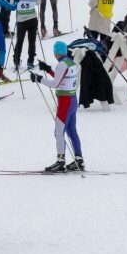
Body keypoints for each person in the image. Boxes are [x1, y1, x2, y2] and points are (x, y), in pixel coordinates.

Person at [32, 41, 84, 172]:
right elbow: (62, 78)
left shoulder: (61, 64)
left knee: (58, 132)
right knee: (72, 131)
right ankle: (79, 160)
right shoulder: (70, 62)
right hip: (72, 100)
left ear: (56, 52)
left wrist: (39, 79)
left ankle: (60, 161)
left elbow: (55, 83)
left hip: (65, 103)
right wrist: (48, 69)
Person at [11, 0, 40, 71]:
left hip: (21, 20)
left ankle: (16, 61)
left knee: (19, 41)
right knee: (32, 41)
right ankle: (30, 62)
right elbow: (38, 2)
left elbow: (11, 4)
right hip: (32, 19)